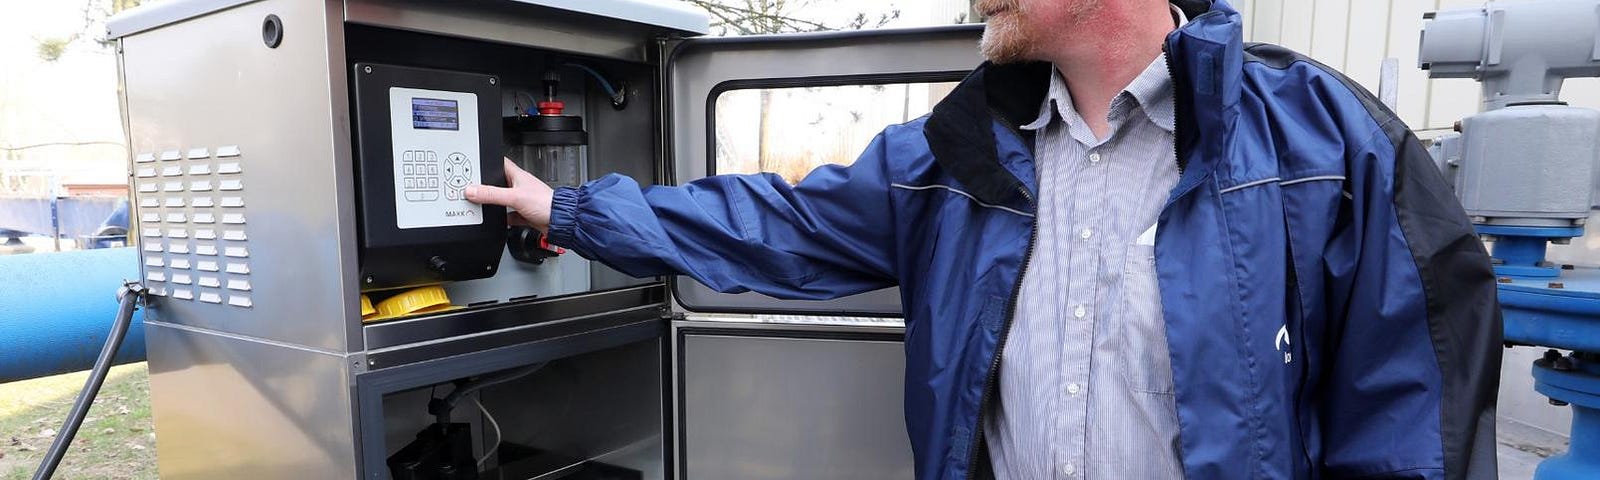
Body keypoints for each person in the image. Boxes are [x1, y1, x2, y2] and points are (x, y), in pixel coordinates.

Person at [466, 0, 1502, 478]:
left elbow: (1408, 418)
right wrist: (572, 211)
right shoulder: (954, 155)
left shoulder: (1325, 145)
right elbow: (780, 224)